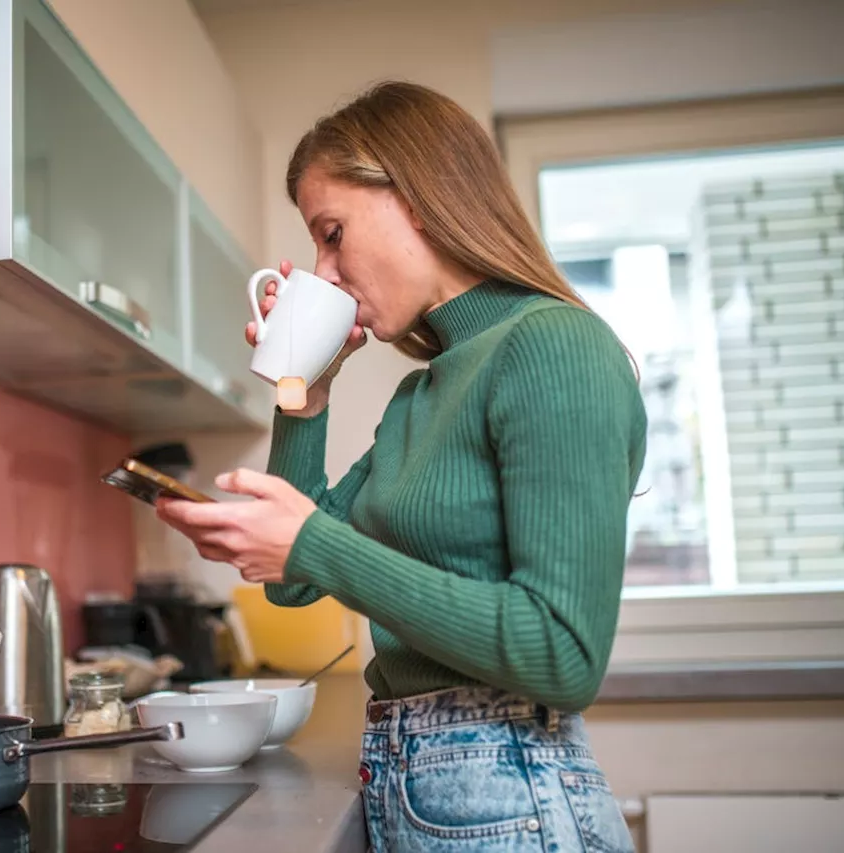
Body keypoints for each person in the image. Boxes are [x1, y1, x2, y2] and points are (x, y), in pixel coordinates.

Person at [155, 80, 646, 852]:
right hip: (416, 784)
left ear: (413, 196)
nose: (325, 270)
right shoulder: (426, 390)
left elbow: (563, 654)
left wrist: (308, 541)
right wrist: (304, 396)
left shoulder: (552, 345)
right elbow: (294, 580)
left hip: (506, 794)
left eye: (332, 232)